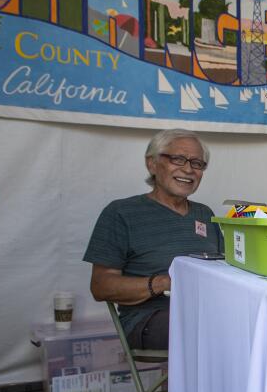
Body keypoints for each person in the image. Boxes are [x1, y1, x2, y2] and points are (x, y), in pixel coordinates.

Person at [83, 129, 222, 350]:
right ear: (152, 164)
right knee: (221, 329)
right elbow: (100, 286)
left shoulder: (205, 214)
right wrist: (165, 282)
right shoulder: (121, 213)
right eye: (178, 159)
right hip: (148, 319)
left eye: (197, 163)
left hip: (208, 312)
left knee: (254, 322)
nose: (188, 169)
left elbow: (222, 268)